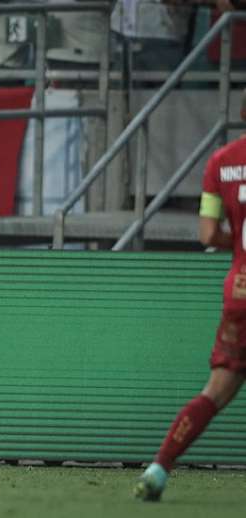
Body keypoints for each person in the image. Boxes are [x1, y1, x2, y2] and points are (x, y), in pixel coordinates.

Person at [134, 90, 246, 501]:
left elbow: (207, 234)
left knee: (215, 392)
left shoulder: (223, 162)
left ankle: (159, 469)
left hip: (239, 292)